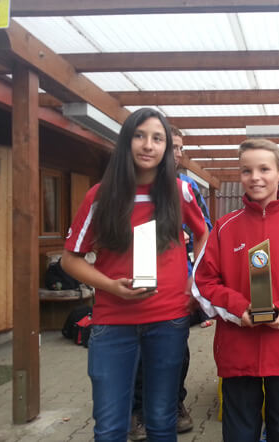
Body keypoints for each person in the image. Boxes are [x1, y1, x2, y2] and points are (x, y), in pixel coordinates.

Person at [61, 107, 207, 441]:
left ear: (167, 148)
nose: (148, 145)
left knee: (161, 420)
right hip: (112, 324)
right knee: (110, 426)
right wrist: (111, 285)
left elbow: (203, 234)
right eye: (140, 135)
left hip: (168, 320)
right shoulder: (99, 196)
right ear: (126, 141)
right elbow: (71, 260)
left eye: (158, 138)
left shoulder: (180, 191)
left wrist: (194, 278)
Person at [193, 139, 279, 442]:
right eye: (246, 170)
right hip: (238, 351)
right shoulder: (224, 228)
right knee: (239, 432)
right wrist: (240, 310)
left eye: (264, 169)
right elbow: (204, 283)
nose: (255, 177)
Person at [129, 125, 213, 440]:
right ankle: (138, 411)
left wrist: (194, 276)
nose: (176, 153)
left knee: (177, 348)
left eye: (179, 147)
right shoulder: (123, 186)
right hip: (137, 280)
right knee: (138, 348)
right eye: (172, 146)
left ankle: (175, 403)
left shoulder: (186, 187)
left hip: (177, 284)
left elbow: (204, 230)